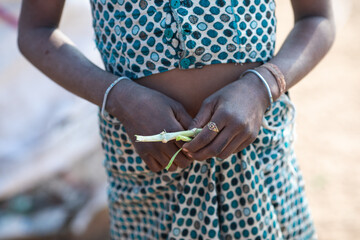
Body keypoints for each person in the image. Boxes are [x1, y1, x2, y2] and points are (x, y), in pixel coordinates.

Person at [18, 0, 335, 239]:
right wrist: (119, 97)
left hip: (258, 165)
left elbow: (317, 18)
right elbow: (36, 31)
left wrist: (262, 86)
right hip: (147, 173)